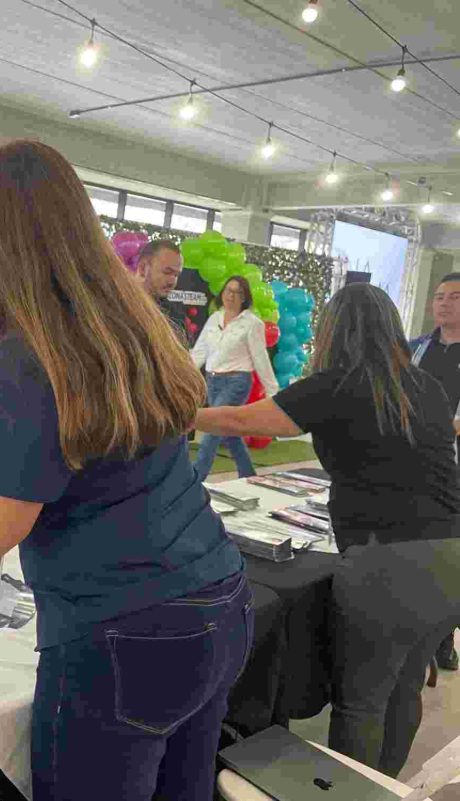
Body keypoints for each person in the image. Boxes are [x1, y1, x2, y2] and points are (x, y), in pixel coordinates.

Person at [0, 140, 249, 801]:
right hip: (218, 597)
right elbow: (58, 394)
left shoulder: (30, 348)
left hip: (124, 628)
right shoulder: (128, 319)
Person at [195, 282, 460, 778]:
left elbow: (241, 419)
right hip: (451, 554)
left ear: (334, 330)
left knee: (361, 703)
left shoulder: (335, 384)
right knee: (404, 687)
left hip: (387, 562)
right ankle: (384, 785)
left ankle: (356, 791)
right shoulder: (425, 386)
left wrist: (173, 415)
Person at [409, 272, 460, 673]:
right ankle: (413, 632)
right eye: (440, 296)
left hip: (453, 467)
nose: (444, 303)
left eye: (455, 297)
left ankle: (443, 638)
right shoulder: (417, 348)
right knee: (414, 550)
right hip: (412, 463)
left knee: (450, 555)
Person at [190, 275, 278, 479]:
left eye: (238, 292)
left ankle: (196, 477)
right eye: (228, 290)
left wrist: (272, 391)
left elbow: (260, 358)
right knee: (230, 432)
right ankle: (248, 474)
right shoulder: (215, 318)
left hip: (237, 382)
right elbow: (200, 351)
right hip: (213, 381)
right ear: (222, 293)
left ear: (244, 297)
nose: (231, 296)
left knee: (214, 427)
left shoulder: (252, 324)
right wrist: (182, 375)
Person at [136, 239, 186, 334]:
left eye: (176, 275)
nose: (172, 281)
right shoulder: (116, 304)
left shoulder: (175, 316)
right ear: (143, 268)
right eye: (167, 272)